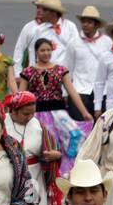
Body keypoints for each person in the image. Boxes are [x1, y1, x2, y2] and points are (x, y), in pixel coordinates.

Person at [19, 37, 93, 177]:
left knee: (74, 136)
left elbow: (72, 92)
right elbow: (21, 95)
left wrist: (84, 113)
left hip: (59, 115)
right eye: (42, 50)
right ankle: (43, 175)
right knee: (42, 145)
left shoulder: (60, 70)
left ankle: (65, 173)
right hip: (37, 115)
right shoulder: (28, 72)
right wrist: (17, 114)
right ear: (36, 52)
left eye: (48, 50)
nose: (46, 53)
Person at [5, 90, 59, 205]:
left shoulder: (38, 125)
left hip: (35, 177)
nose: (30, 117)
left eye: (32, 113)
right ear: (14, 110)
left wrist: (55, 155)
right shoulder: (2, 123)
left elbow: (52, 149)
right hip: (9, 177)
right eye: (25, 114)